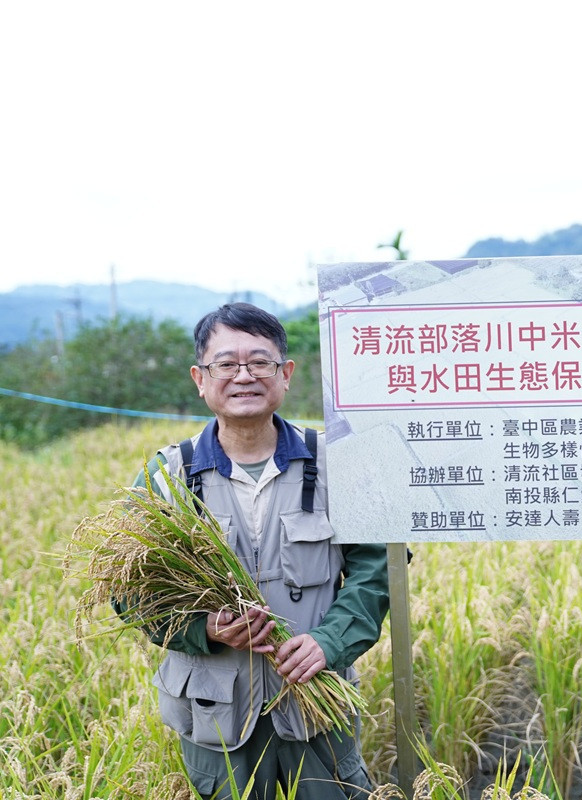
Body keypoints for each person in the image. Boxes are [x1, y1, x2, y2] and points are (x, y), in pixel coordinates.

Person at [129, 302, 390, 800]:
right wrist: (202, 627)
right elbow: (132, 594)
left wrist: (328, 643)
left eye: (261, 362)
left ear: (285, 373)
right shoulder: (166, 478)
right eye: (226, 364)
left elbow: (374, 573)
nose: (244, 375)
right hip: (216, 719)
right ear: (200, 378)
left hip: (315, 708)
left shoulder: (337, 464)